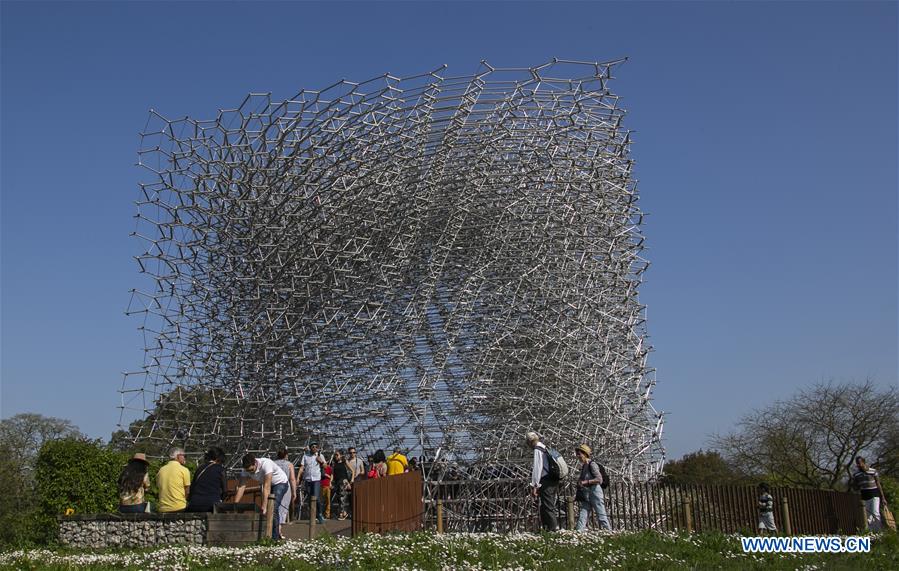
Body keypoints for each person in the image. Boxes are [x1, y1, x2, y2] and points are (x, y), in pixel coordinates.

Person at [234, 454, 289, 540]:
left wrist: (264, 506)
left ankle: (274, 538)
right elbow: (241, 487)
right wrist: (235, 504)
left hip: (280, 482)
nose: (250, 472)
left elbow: (267, 487)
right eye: (248, 471)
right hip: (266, 485)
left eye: (251, 470)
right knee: (268, 509)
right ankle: (268, 534)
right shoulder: (245, 470)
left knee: (272, 508)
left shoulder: (266, 464)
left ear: (255, 463)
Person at [526, 431, 558, 531]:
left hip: (546, 480)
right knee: (546, 506)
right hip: (552, 479)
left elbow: (537, 468)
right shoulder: (545, 447)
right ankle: (547, 528)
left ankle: (552, 530)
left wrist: (535, 485)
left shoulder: (537, 449)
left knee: (548, 506)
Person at [574, 444, 611, 531]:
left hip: (595, 491)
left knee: (600, 513)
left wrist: (586, 482)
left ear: (585, 454)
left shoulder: (592, 464)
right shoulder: (584, 467)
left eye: (579, 454)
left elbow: (599, 479)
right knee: (583, 512)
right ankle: (579, 531)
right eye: (577, 454)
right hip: (587, 492)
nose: (578, 456)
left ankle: (609, 531)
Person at [186, 447, 227, 513]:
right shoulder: (221, 469)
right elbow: (225, 491)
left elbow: (192, 489)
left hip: (195, 504)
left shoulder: (199, 469)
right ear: (218, 459)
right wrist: (220, 499)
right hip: (211, 504)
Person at [851, 456, 886, 532]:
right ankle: (871, 533)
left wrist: (883, 497)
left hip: (874, 494)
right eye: (857, 463)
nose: (858, 465)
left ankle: (879, 532)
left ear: (863, 462)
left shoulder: (873, 471)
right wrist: (854, 483)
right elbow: (855, 488)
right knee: (867, 516)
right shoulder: (856, 474)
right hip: (864, 496)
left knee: (875, 512)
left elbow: (878, 484)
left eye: (859, 463)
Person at [297, 443, 327, 523]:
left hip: (316, 479)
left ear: (318, 448)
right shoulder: (305, 456)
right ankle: (314, 515)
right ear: (310, 448)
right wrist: (298, 478)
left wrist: (320, 461)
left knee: (316, 497)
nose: (314, 448)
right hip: (307, 479)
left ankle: (320, 514)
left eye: (316, 447)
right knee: (310, 498)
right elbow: (302, 467)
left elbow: (326, 466)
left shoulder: (320, 456)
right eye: (312, 447)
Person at [157, 448, 191, 513]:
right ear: (178, 456)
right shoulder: (184, 470)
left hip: (163, 508)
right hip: (179, 507)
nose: (185, 458)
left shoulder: (161, 470)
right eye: (184, 456)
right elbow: (187, 491)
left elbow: (160, 487)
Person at [274, 448, 297, 534]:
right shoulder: (289, 465)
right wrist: (294, 492)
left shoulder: (273, 463)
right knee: (283, 508)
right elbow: (292, 479)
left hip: (274, 486)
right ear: (286, 455)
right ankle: (279, 530)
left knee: (275, 507)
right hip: (286, 488)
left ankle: (275, 530)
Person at [331, 450, 351, 520]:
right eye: (335, 455)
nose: (335, 456)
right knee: (339, 498)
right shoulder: (334, 464)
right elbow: (333, 474)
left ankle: (341, 514)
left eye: (337, 455)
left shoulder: (344, 462)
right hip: (337, 482)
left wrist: (350, 481)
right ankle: (344, 513)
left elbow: (352, 470)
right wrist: (330, 482)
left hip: (343, 481)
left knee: (342, 498)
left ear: (341, 455)